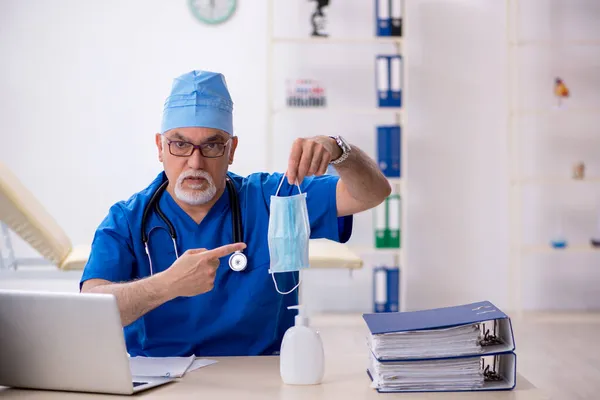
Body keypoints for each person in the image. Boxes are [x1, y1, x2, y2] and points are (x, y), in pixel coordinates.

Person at [80, 70, 392, 357]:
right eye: (179, 144)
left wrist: (338, 149)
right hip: (160, 379)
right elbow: (91, 311)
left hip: (258, 376)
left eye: (212, 145)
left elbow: (373, 192)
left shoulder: (273, 199)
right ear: (160, 147)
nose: (195, 161)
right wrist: (167, 285)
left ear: (232, 150)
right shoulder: (126, 219)